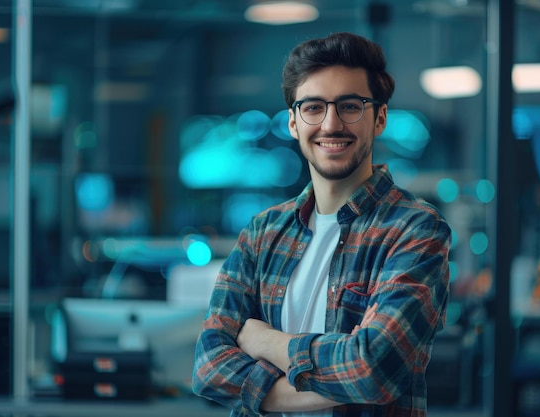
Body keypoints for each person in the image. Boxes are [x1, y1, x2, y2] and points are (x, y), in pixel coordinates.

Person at [192, 31, 451, 417]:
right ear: (294, 122)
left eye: (349, 106)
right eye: (313, 107)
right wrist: (336, 378)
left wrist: (265, 341)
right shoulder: (262, 233)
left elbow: (372, 369)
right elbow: (208, 367)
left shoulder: (415, 230)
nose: (331, 125)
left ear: (379, 118)